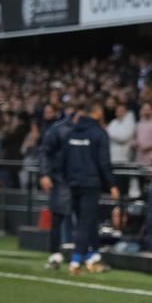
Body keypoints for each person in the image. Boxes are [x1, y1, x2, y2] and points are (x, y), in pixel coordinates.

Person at [60, 99, 119, 275]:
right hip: (90, 183)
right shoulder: (99, 133)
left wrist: (67, 179)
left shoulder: (71, 133)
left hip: (73, 182)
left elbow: (64, 159)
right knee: (86, 222)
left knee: (88, 220)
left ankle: (93, 257)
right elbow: (104, 162)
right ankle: (76, 260)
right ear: (98, 113)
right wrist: (112, 184)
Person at [40, 101, 77, 270]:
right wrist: (45, 173)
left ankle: (79, 255)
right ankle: (55, 254)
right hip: (61, 179)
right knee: (58, 217)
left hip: (81, 180)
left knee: (82, 219)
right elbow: (45, 151)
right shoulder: (59, 129)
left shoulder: (91, 130)